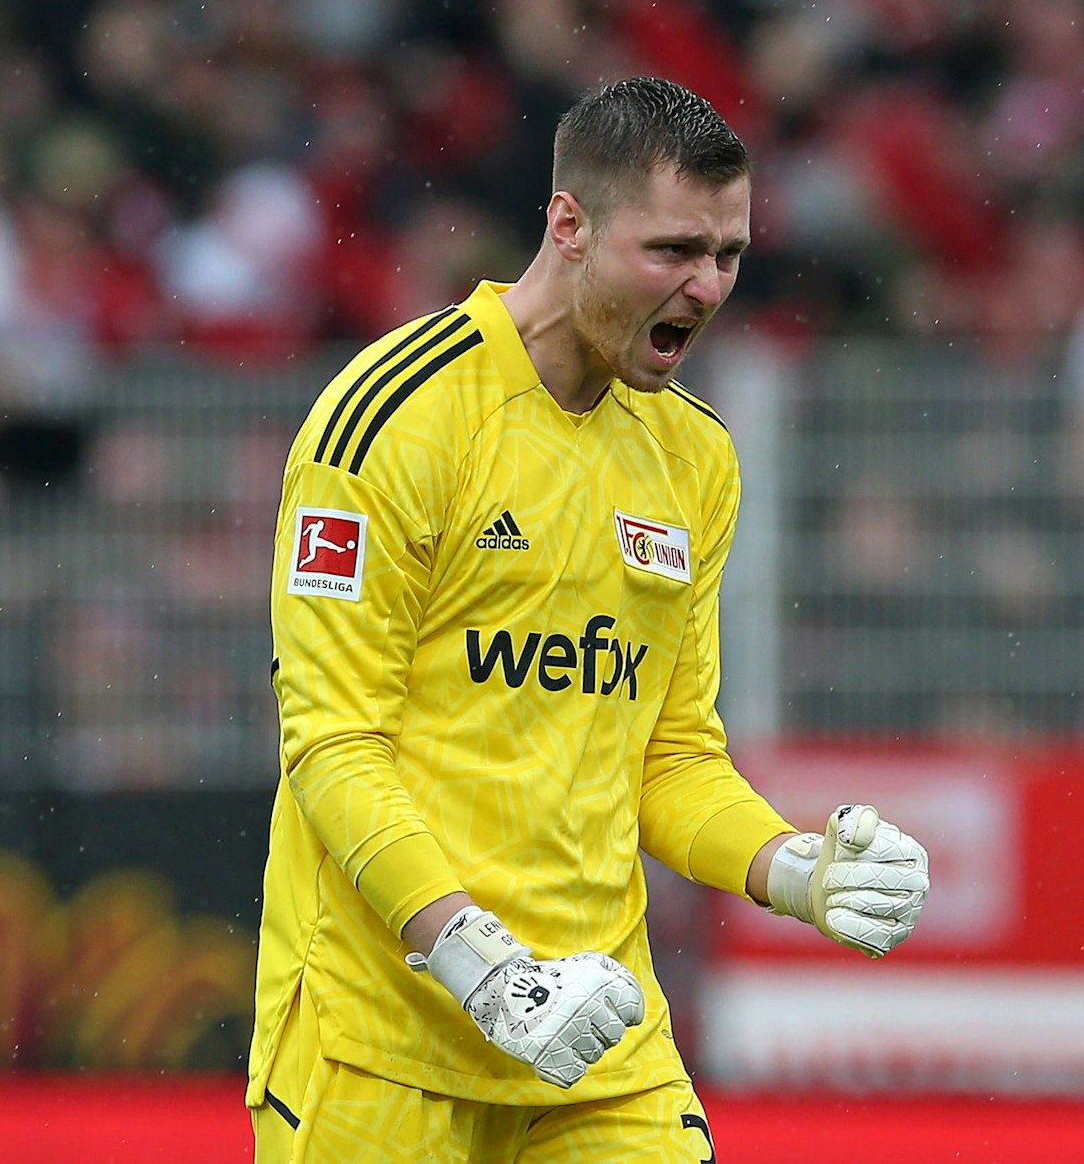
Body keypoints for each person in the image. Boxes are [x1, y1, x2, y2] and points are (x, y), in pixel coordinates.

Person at [249, 76, 930, 1163]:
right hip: (382, 1039)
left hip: (596, 1035)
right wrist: (482, 966)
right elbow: (332, 741)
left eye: (728, 254)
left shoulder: (692, 454)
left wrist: (791, 865)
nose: (705, 288)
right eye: (671, 251)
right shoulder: (394, 417)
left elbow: (668, 754)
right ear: (567, 224)